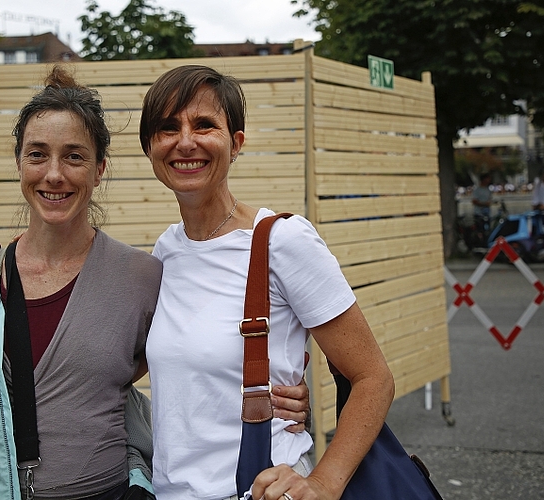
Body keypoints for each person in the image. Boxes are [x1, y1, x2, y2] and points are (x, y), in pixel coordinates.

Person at [0, 66, 308, 500]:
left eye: (74, 156)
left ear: (99, 170)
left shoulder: (142, 276)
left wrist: (283, 396)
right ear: (19, 163)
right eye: (37, 154)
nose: (54, 174)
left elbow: (198, 357)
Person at [139, 65, 395, 500]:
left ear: (236, 142)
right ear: (150, 148)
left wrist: (323, 484)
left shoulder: (282, 240)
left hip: (259, 491)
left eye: (205, 125)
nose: (185, 141)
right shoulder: (167, 251)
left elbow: (373, 378)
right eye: (167, 128)